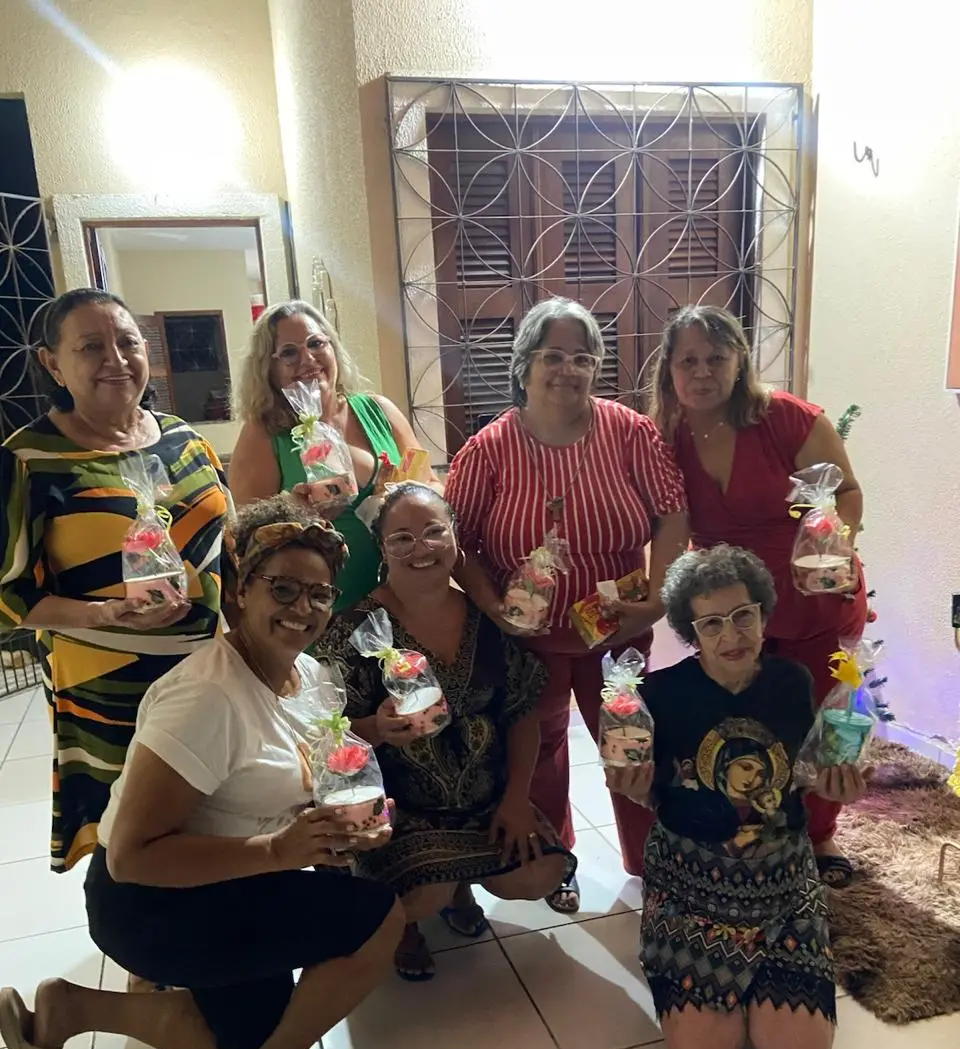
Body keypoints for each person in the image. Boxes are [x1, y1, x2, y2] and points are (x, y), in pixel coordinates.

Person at [0, 497, 405, 1049]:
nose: (303, 609)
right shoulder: (207, 697)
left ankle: (68, 1008)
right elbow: (132, 857)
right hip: (148, 902)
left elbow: (311, 746)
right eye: (283, 589)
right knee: (379, 919)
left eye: (319, 595)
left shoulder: (308, 675)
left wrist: (363, 772)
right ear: (240, 591)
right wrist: (280, 848)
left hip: (233, 881)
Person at [444, 297, 689, 897]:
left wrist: (659, 598)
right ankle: (558, 864)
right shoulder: (490, 448)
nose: (568, 370)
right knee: (541, 751)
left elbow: (673, 514)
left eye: (583, 357)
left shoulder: (629, 433)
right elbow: (459, 541)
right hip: (528, 634)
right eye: (553, 356)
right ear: (525, 364)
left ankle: (650, 863)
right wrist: (493, 606)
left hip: (619, 624)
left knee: (630, 738)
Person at [608, 546, 867, 1049]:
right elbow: (652, 793)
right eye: (712, 624)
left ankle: (761, 983)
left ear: (764, 616)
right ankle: (708, 983)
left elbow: (800, 771)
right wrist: (634, 789)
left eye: (743, 616)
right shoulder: (660, 695)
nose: (732, 636)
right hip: (692, 887)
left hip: (780, 884)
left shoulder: (792, 682)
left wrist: (830, 781)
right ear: (690, 631)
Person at [0, 289, 228, 874]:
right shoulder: (27, 459)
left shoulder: (184, 438)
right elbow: (8, 594)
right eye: (91, 346)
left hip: (209, 672)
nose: (116, 359)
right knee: (126, 831)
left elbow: (228, 539)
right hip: (108, 686)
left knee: (212, 813)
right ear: (53, 363)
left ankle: (210, 947)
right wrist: (105, 615)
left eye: (127, 342)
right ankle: (141, 957)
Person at [648, 305, 867, 887]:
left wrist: (832, 547)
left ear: (739, 360)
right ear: (669, 370)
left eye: (716, 357)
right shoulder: (667, 435)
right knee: (751, 719)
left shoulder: (785, 418)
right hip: (734, 610)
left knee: (820, 716)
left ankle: (819, 838)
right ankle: (761, 823)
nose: (702, 372)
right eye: (688, 360)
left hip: (810, 591)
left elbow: (846, 493)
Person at [319, 483, 572, 979]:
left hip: (486, 803)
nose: (421, 549)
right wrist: (375, 728)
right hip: (401, 813)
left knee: (543, 871)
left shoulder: (491, 620)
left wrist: (517, 800)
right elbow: (323, 731)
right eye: (403, 539)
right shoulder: (356, 628)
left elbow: (522, 714)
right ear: (382, 548)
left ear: (455, 538)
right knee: (419, 895)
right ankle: (406, 922)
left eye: (435, 532)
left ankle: (460, 884)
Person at [228, 300, 435, 612]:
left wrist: (402, 493)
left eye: (315, 343)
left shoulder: (379, 411)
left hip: (408, 600)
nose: (307, 358)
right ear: (267, 369)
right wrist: (296, 515)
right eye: (288, 352)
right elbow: (246, 541)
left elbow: (432, 484)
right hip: (322, 613)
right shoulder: (263, 434)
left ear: (333, 347)